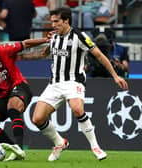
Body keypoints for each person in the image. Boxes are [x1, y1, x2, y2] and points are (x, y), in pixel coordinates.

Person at [27, 7, 128, 162]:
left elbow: (99, 55)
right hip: (54, 83)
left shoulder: (80, 36)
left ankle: (95, 147)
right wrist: (32, 53)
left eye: (56, 21)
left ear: (66, 21)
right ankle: (59, 143)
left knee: (76, 108)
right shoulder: (53, 37)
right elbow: (44, 53)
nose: (53, 25)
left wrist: (115, 76)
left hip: (73, 81)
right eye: (52, 21)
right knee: (37, 119)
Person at [0, 36, 48, 161]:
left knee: (12, 106)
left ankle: (19, 147)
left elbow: (25, 44)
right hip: (3, 96)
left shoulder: (0, 51)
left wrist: (46, 40)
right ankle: (13, 148)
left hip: (20, 87)